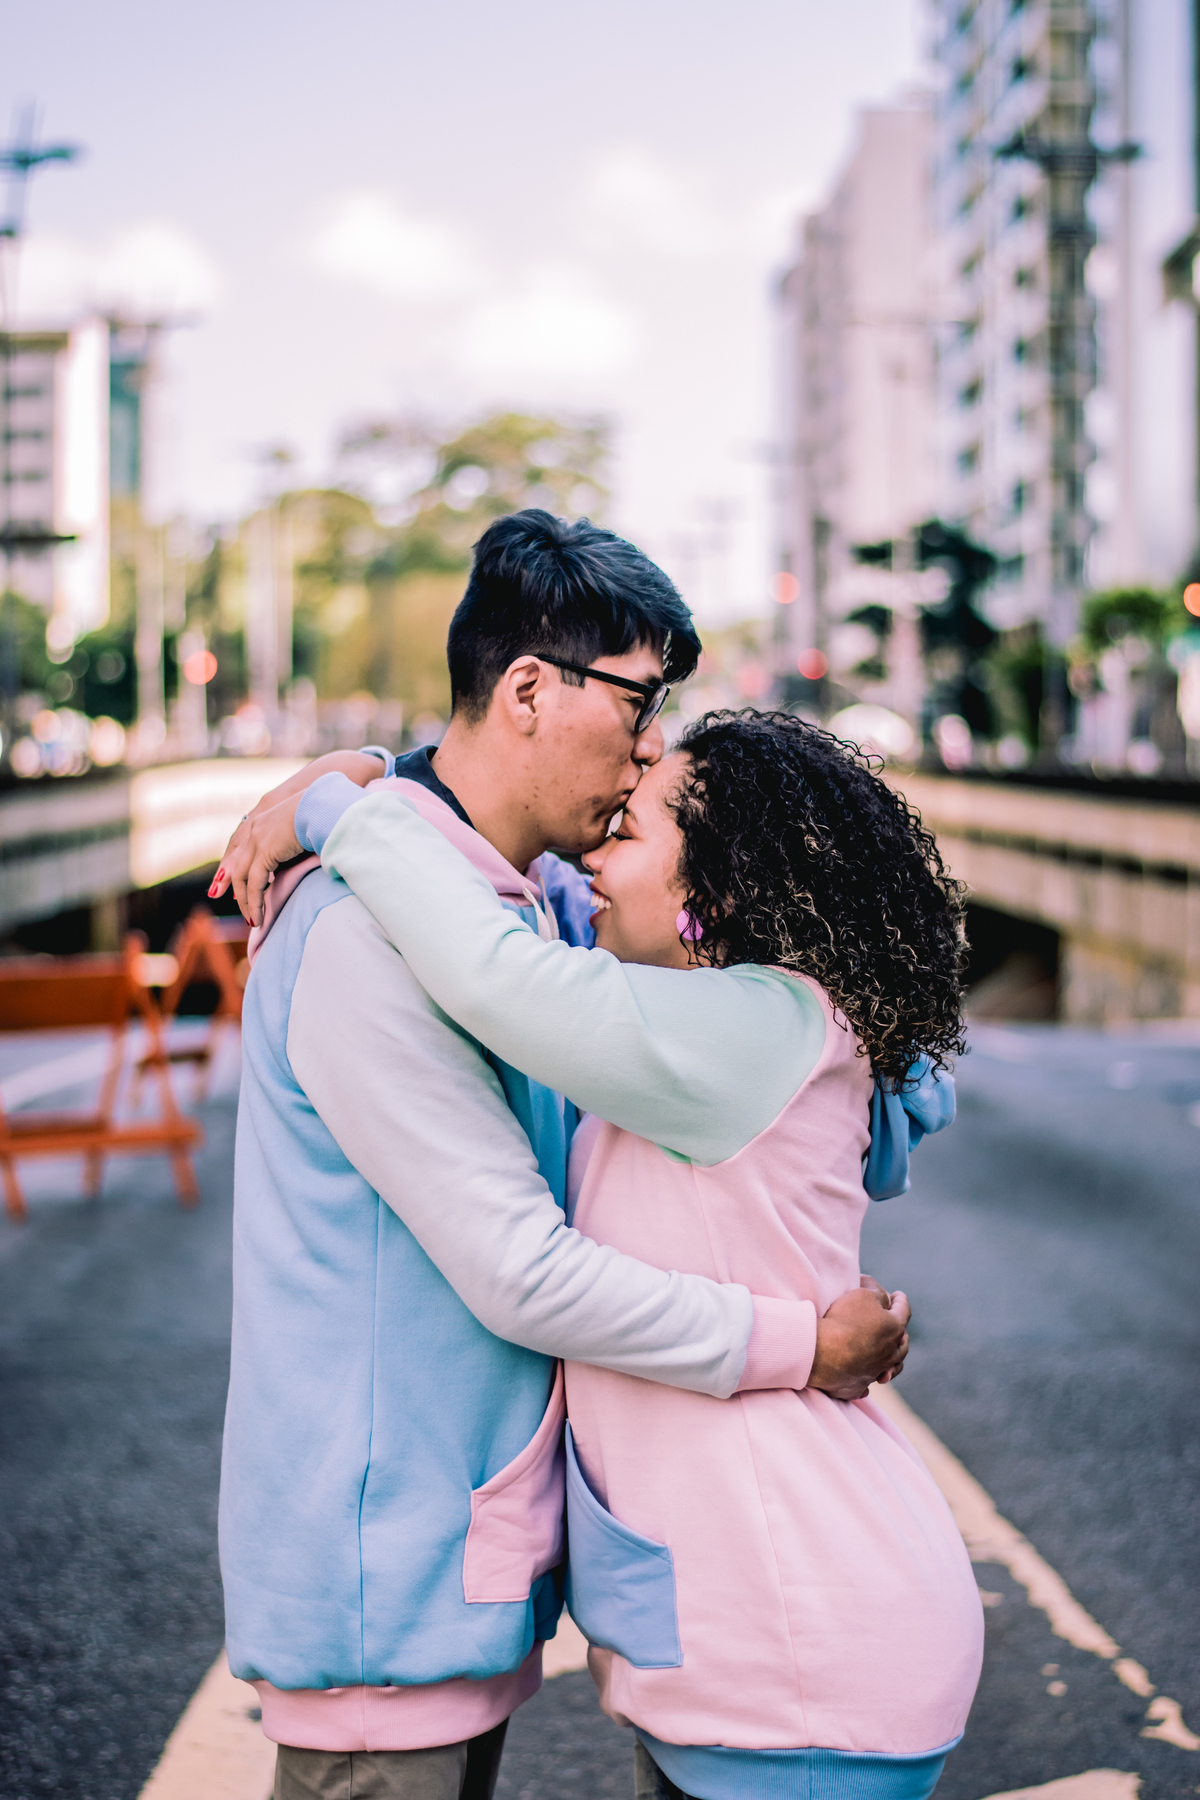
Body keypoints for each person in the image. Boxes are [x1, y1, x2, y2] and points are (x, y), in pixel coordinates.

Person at [215, 512, 910, 1800]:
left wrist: (356, 777)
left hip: (448, 1578)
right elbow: (521, 1272)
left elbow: (748, 953)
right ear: (529, 690)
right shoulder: (368, 930)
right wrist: (800, 1344)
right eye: (639, 702)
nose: (652, 748)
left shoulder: (524, 900)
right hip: (381, 1611)